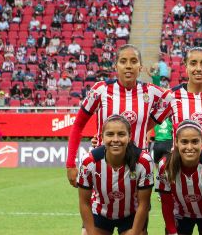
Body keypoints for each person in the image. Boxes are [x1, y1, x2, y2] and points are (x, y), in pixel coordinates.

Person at [66, 44, 166, 187]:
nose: (128, 66)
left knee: (139, 208)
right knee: (98, 208)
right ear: (116, 66)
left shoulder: (151, 92)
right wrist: (70, 164)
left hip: (138, 167)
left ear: (141, 67)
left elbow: (175, 107)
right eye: (123, 61)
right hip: (102, 165)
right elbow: (78, 125)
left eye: (133, 61)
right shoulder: (101, 90)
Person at [77, 114, 153, 235]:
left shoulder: (143, 161)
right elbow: (84, 202)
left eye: (121, 134)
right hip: (100, 213)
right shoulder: (89, 162)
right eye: (110, 134)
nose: (116, 139)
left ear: (129, 137)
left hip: (132, 214)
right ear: (102, 137)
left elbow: (144, 204)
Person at [157, 120, 202, 235]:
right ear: (176, 142)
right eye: (184, 142)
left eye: (195, 142)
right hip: (181, 214)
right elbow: (166, 203)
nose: (189, 147)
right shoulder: (165, 165)